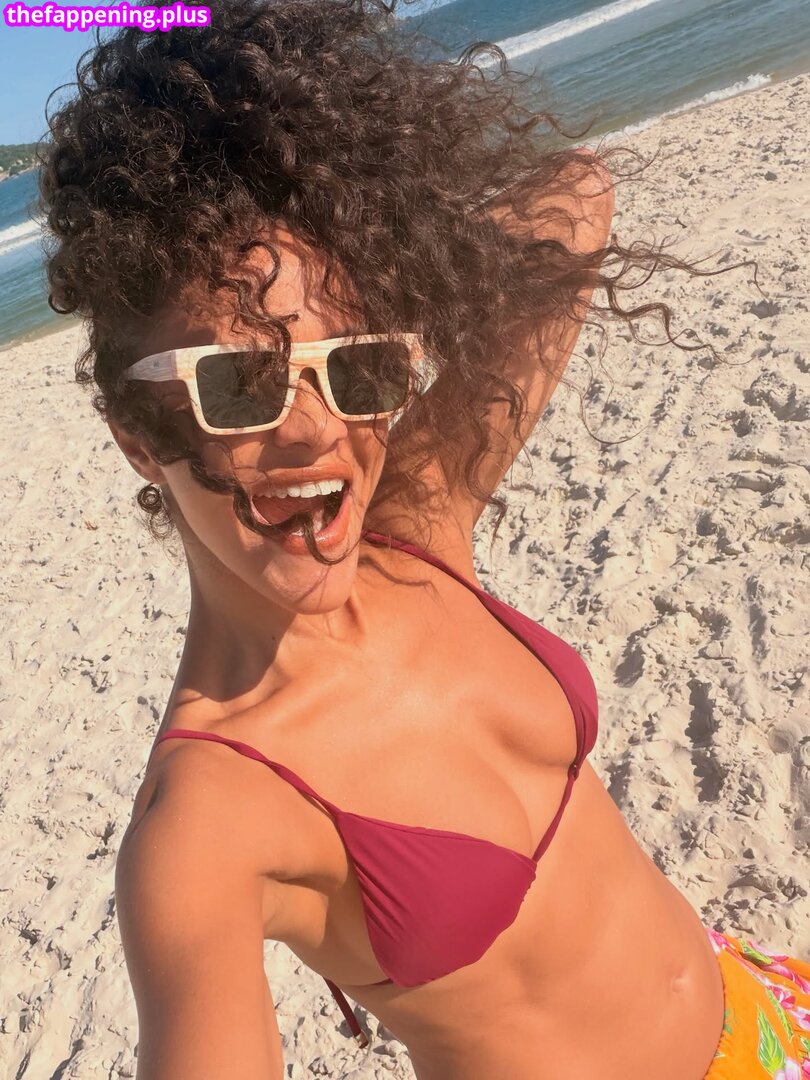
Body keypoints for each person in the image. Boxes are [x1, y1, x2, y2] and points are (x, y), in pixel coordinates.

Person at [37, 1, 809, 1077]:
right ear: (136, 435)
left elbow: (573, 194)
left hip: (767, 1010)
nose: (318, 433)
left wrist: (376, 237)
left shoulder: (415, 526)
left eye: (356, 368)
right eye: (242, 385)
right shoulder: (209, 819)